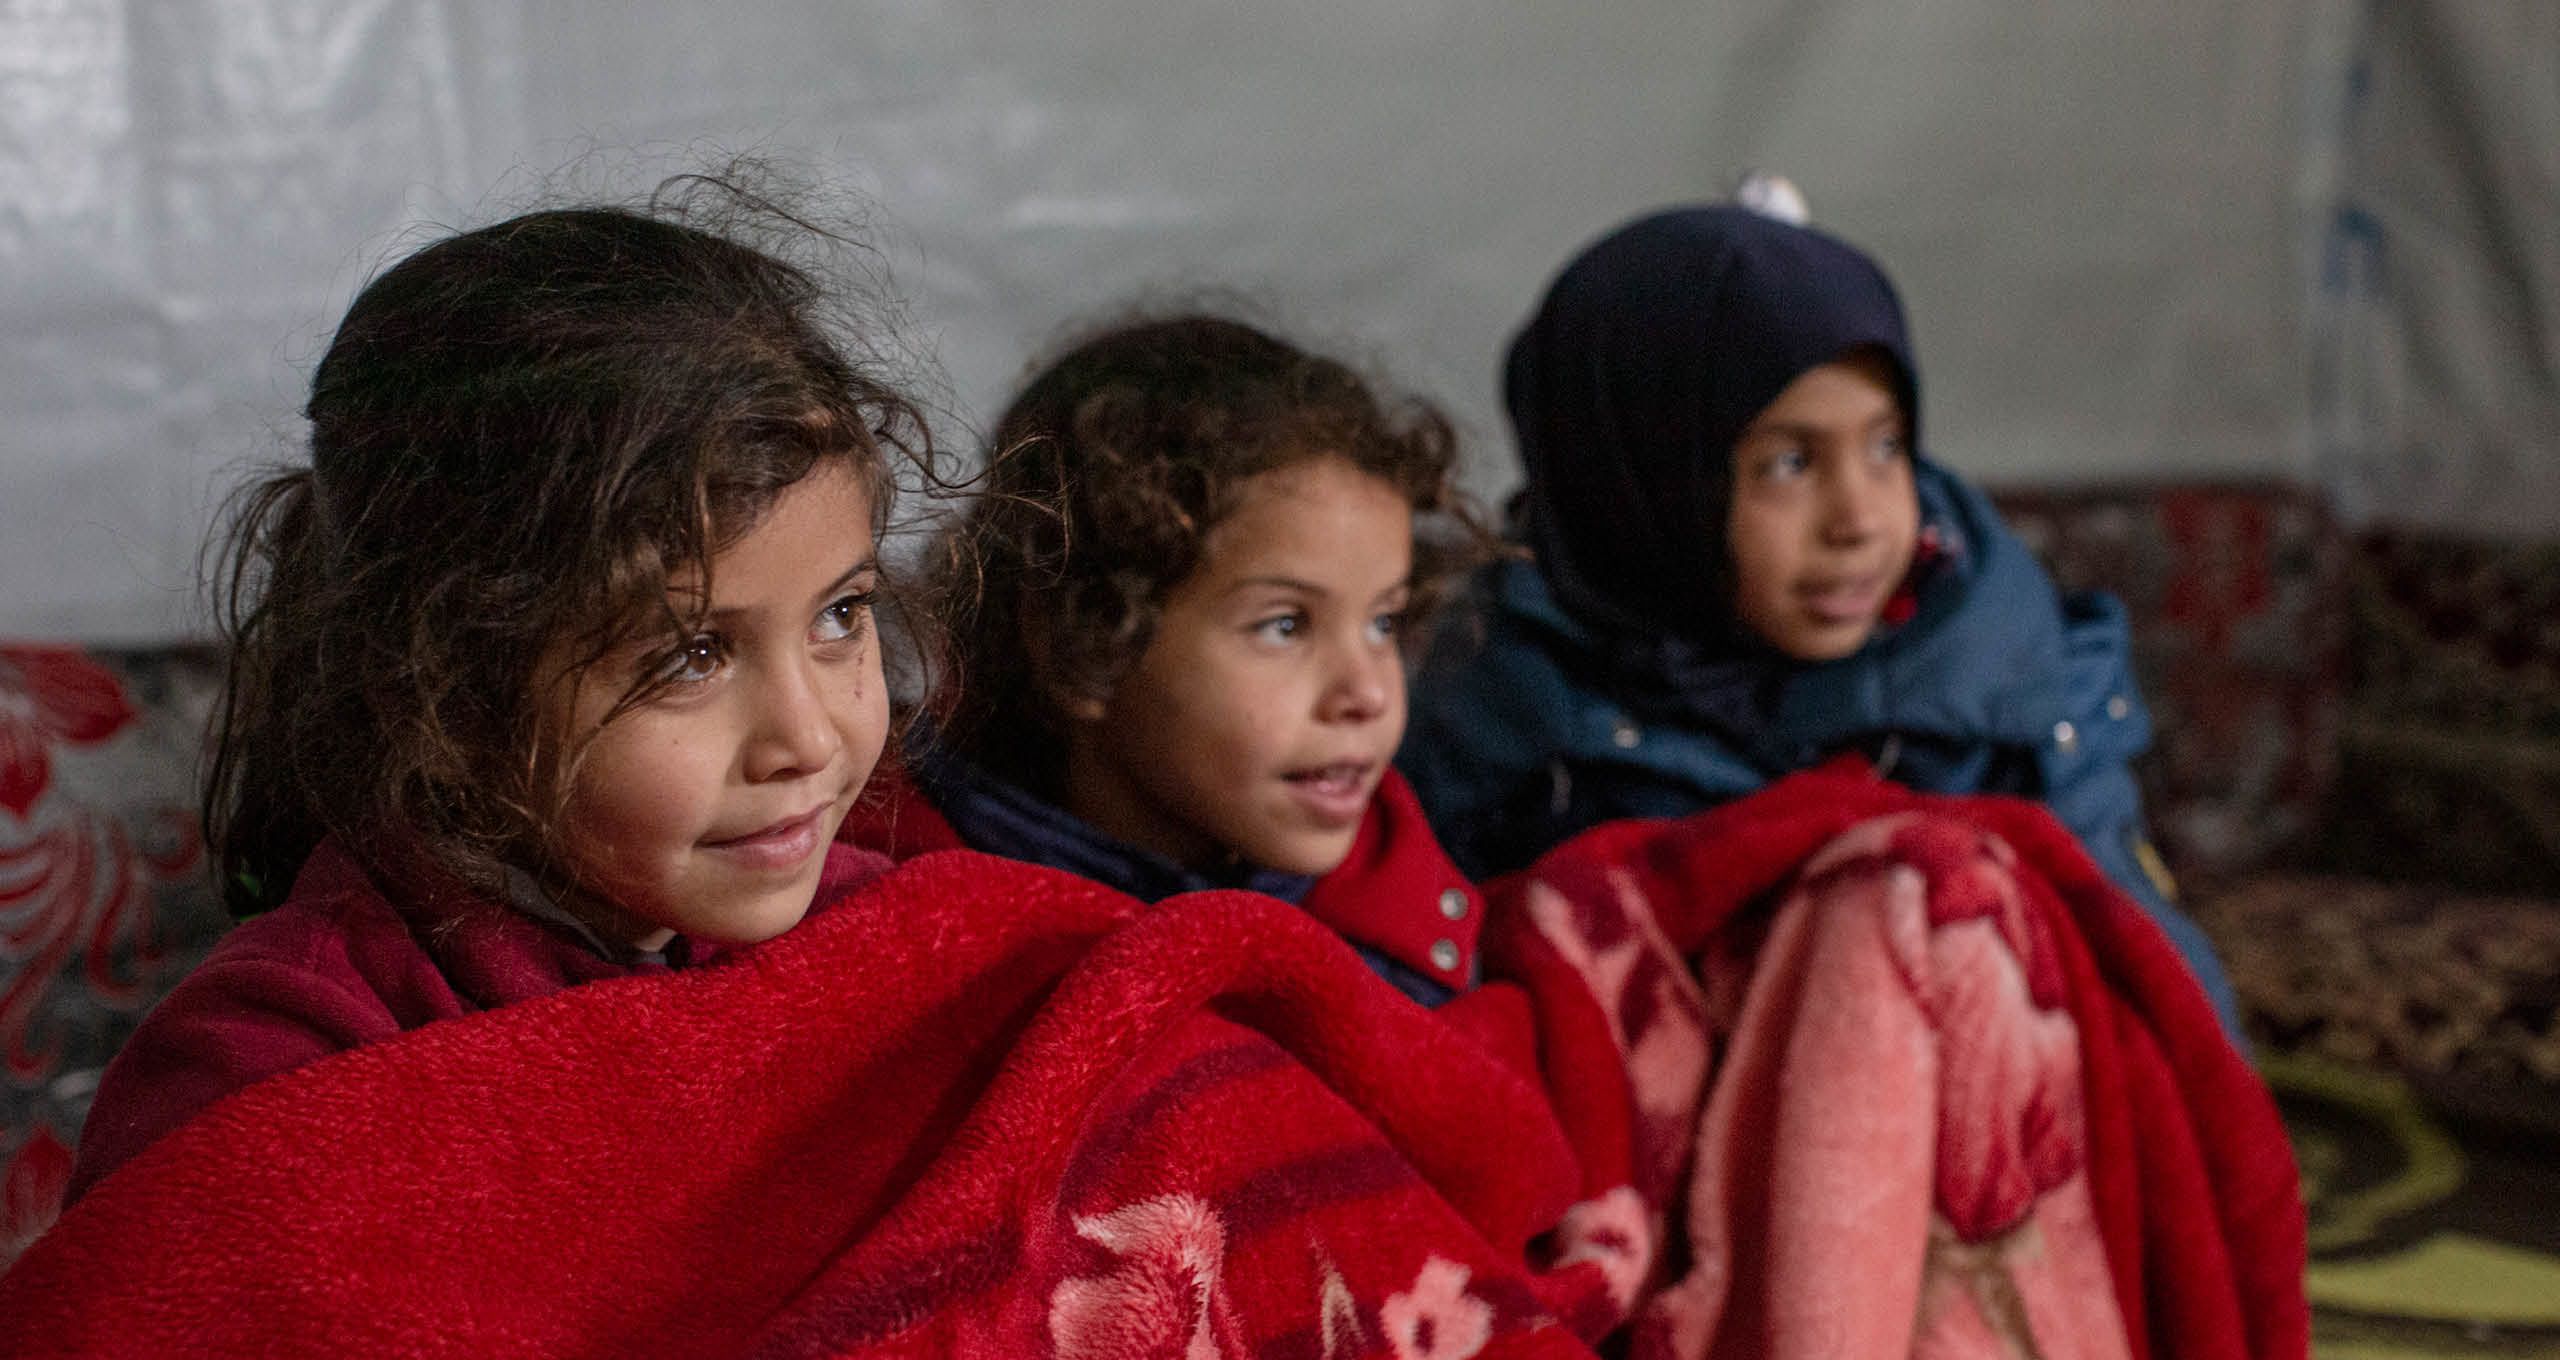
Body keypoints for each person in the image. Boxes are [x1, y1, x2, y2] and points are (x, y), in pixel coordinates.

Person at [67, 179, 937, 1201]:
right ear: (443, 683)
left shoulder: (886, 948)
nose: (809, 738)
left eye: (841, 615)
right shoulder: (279, 1077)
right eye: (689, 656)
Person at [1398, 203, 2241, 1031]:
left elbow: (2159, 994)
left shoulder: (2001, 671)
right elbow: (1445, 1022)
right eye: (1790, 464)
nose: (1860, 520)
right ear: (1639, 487)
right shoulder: (1503, 711)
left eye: (1885, 448)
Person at [851, 314, 1494, 1008]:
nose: (1367, 692)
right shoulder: (888, 910)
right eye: (1285, 626)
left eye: (1383, 622)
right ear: (1084, 640)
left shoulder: (1399, 922)